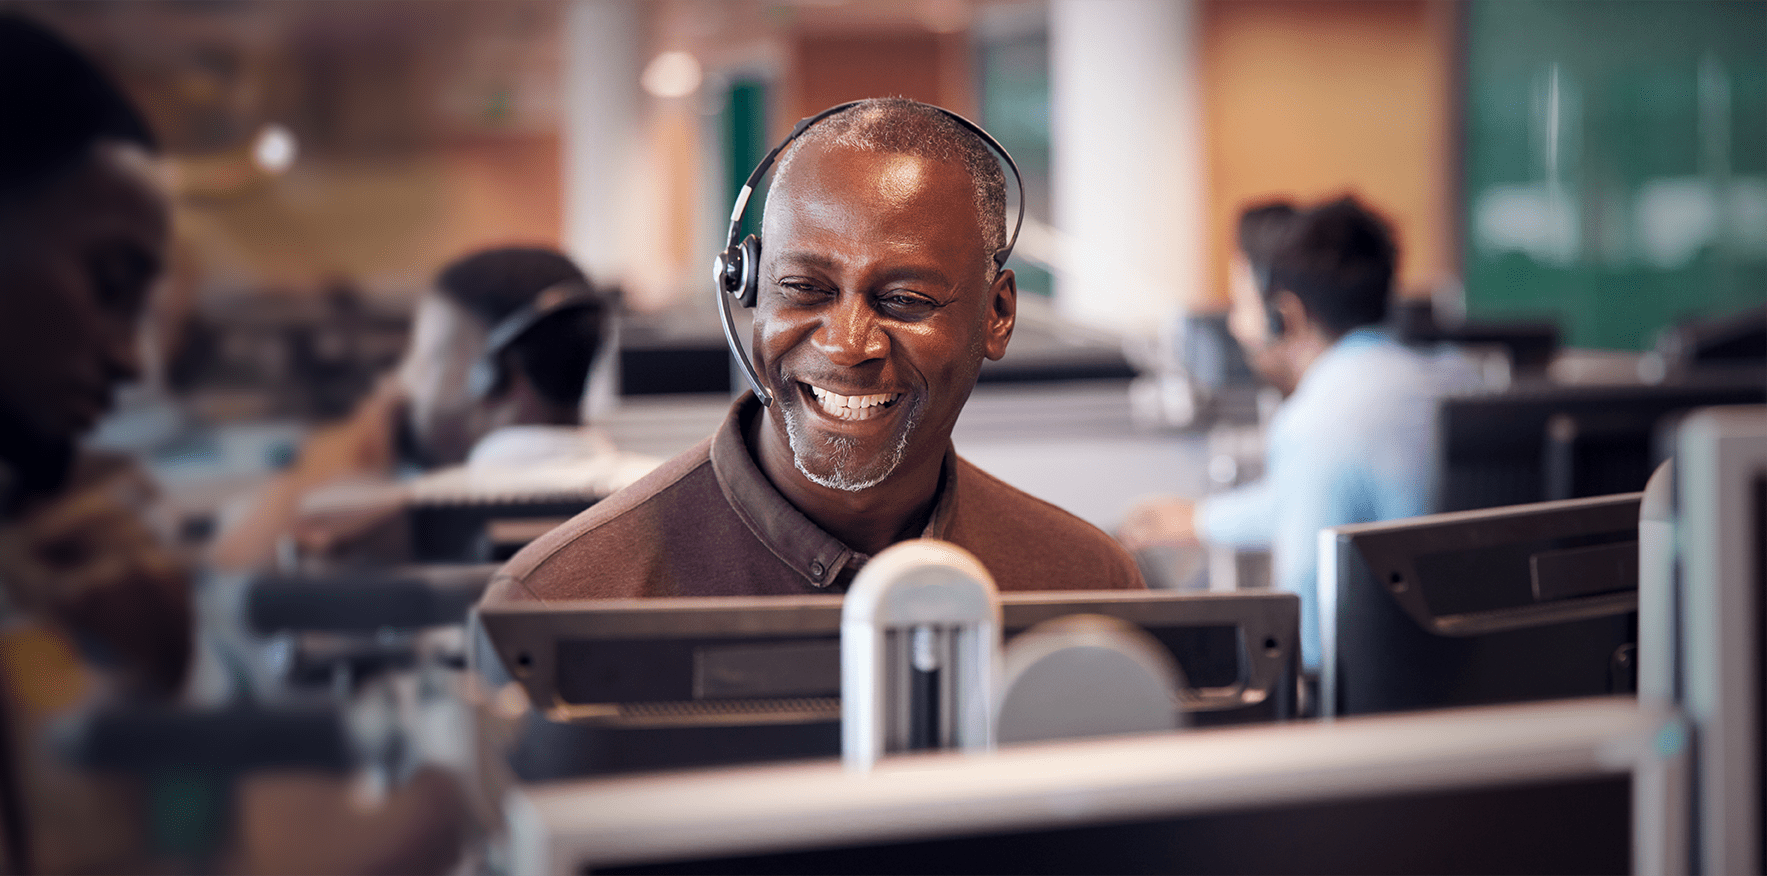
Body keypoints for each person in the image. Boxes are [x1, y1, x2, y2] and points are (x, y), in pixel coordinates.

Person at [483, 98, 1144, 602]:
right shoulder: (564, 597)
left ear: (997, 315)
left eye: (906, 300)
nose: (847, 344)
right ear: (746, 287)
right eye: (804, 288)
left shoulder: (1084, 584)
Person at [1119, 196, 1478, 675]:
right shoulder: (1458, 377)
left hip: (1378, 693)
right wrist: (1203, 521)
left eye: (1242, 304)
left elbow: (1311, 624)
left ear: (1284, 316)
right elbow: (1337, 496)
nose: (1236, 326)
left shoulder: (1315, 421)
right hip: (1472, 671)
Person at [210, 246, 641, 571]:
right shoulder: (663, 493)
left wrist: (356, 440)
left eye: (425, 358)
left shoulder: (389, 523)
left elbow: (230, 571)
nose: (405, 383)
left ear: (489, 376)